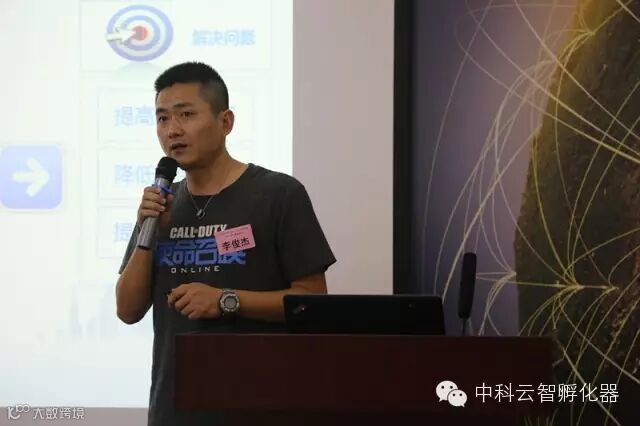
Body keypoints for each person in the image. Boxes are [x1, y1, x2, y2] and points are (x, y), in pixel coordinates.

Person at [115, 61, 336, 426]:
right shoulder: (161, 205)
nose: (173, 130)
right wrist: (146, 232)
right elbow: (127, 310)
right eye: (162, 118)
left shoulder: (278, 194)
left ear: (225, 122)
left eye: (186, 114)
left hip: (263, 406)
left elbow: (312, 301)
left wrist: (225, 300)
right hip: (174, 411)